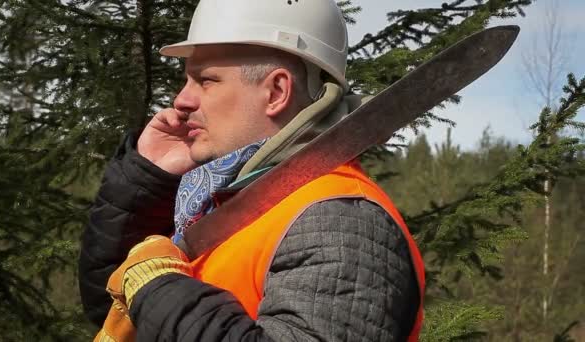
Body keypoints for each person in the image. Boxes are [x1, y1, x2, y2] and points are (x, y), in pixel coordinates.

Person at [79, 0, 425, 341]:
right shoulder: (230, 195)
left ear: (276, 91)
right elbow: (113, 310)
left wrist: (157, 287)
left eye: (206, 80)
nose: (181, 100)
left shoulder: (340, 219)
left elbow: (151, 299)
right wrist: (147, 181)